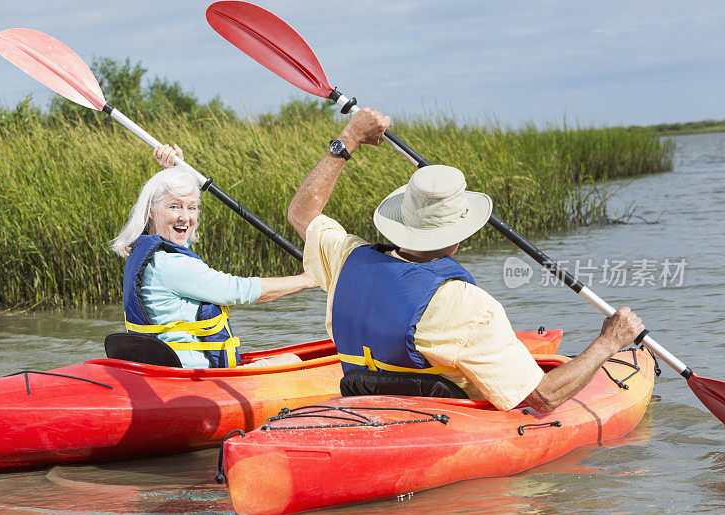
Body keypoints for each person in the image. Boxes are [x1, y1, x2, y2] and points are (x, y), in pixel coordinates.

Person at [287, 108, 644, 413]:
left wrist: (349, 137)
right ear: (458, 236)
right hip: (441, 424)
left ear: (402, 221)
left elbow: (301, 213)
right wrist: (609, 343)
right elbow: (543, 397)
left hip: (365, 405)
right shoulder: (467, 306)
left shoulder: (347, 258)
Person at [111, 144, 318, 369]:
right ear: (150, 210)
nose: (185, 217)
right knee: (293, 361)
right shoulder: (170, 266)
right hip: (194, 378)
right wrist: (309, 280)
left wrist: (178, 169)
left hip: (170, 371)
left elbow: (180, 239)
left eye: (192, 208)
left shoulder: (150, 254)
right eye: (174, 206)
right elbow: (240, 291)